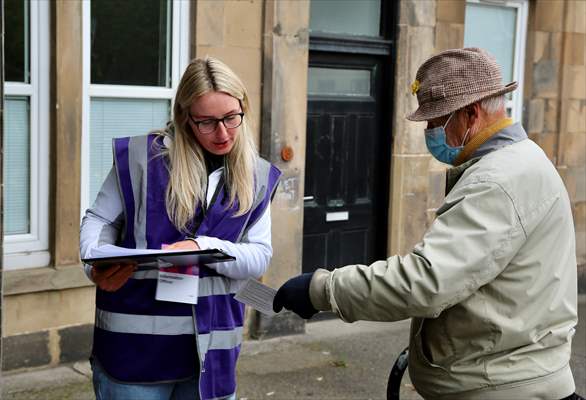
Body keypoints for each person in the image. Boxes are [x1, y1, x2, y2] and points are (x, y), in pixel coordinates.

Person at [273, 48, 582, 400]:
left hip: (501, 386)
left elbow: (426, 281)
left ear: (470, 113)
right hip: (510, 374)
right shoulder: (523, 161)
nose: (430, 132)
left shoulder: (497, 180)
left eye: (436, 122)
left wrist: (321, 290)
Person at [80, 56, 281, 400]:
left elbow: (259, 256)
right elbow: (98, 222)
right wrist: (94, 263)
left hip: (211, 355)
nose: (222, 133)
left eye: (232, 118)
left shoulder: (258, 175)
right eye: (207, 122)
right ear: (185, 117)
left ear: (243, 109)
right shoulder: (141, 158)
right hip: (134, 356)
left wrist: (202, 249)